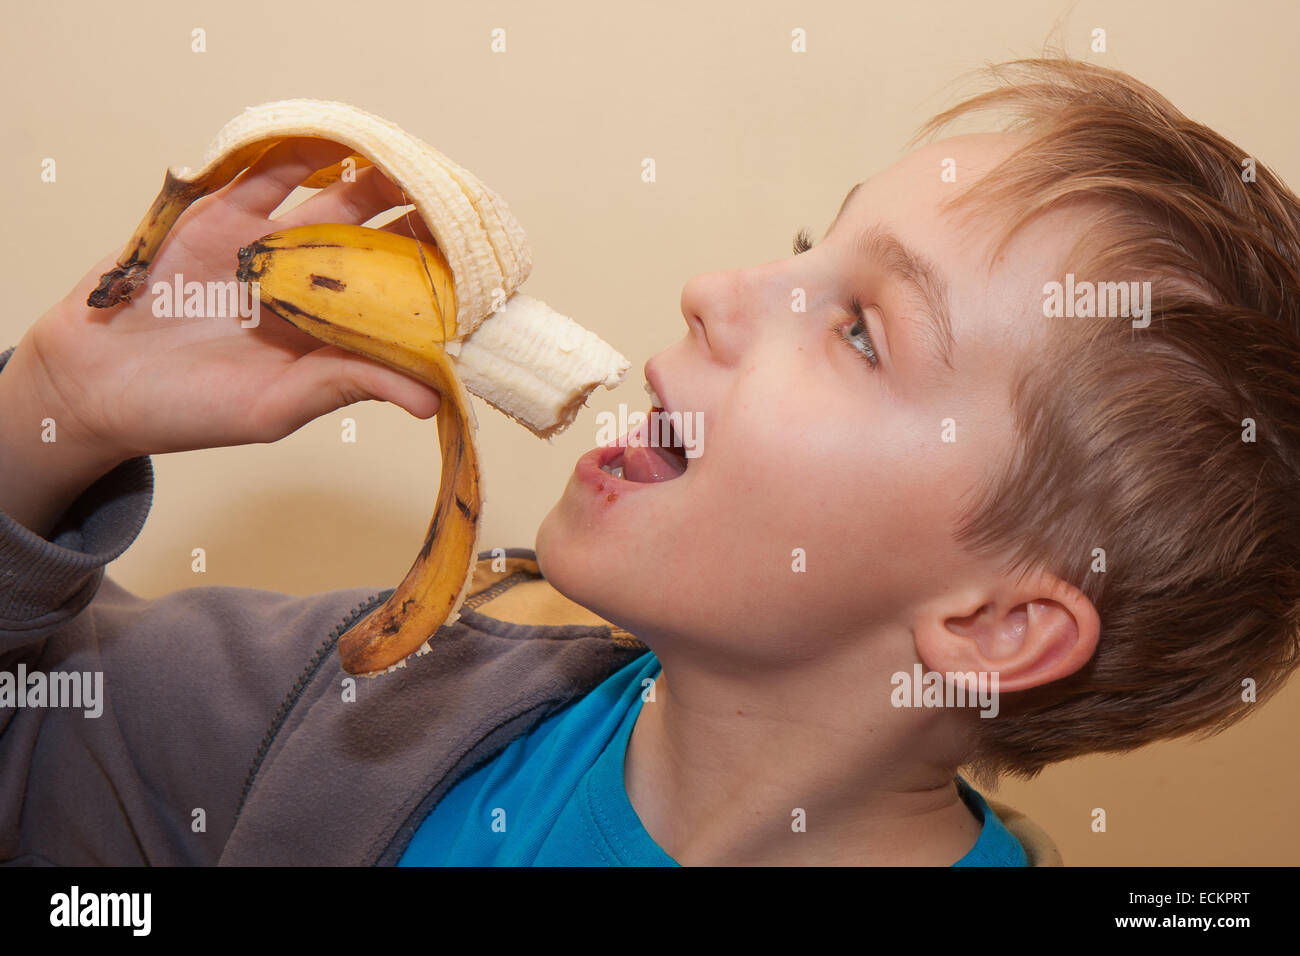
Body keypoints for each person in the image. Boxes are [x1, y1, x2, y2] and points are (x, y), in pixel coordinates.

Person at [3, 55, 1297, 866]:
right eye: (807, 242)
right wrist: (54, 412)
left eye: (858, 330)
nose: (717, 287)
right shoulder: (325, 714)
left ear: (1000, 623)